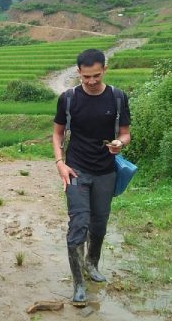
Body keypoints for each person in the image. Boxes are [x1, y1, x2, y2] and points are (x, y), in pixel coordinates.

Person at [52, 49, 131, 305]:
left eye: (96, 75)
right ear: (79, 73)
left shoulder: (117, 97)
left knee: (99, 224)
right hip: (76, 170)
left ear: (104, 70)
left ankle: (92, 263)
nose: (92, 81)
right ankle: (78, 283)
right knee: (78, 225)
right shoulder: (69, 99)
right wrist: (60, 164)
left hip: (106, 172)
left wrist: (120, 142)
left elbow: (126, 132)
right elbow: (57, 134)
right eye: (86, 77)